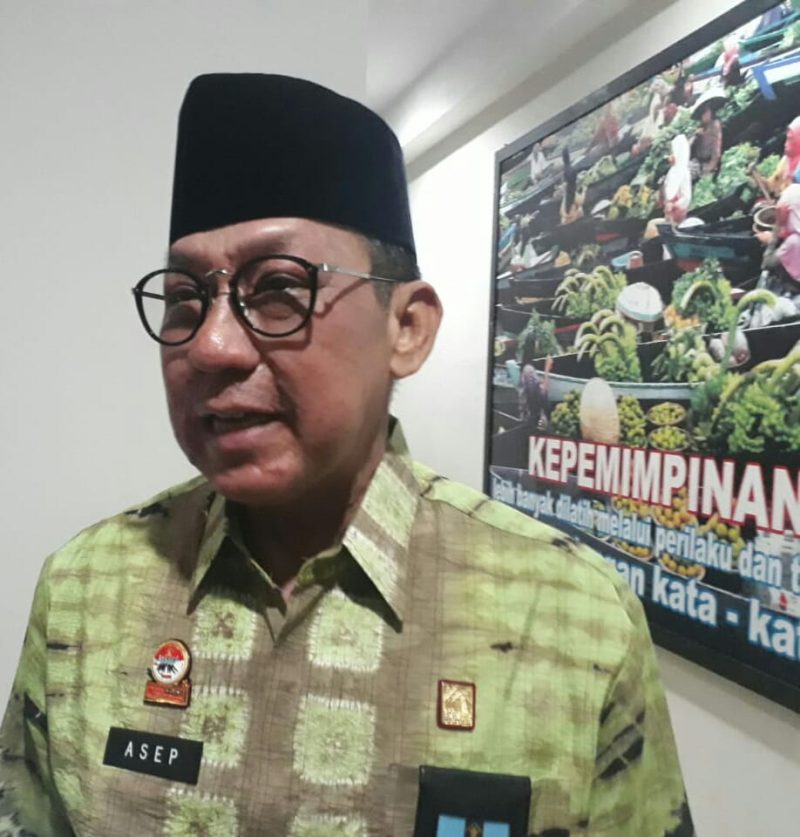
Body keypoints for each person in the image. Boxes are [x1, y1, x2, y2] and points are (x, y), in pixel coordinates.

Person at [0, 73, 693, 836]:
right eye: (185, 299)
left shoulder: (570, 616)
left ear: (407, 328)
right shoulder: (85, 590)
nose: (211, 344)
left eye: (278, 288)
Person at [690, 102, 723, 178]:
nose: (703, 116)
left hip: (707, 163)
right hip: (697, 161)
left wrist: (708, 168)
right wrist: (696, 136)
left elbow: (716, 152)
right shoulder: (702, 126)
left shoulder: (715, 126)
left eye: (705, 113)